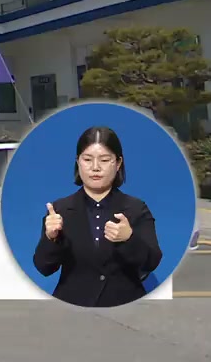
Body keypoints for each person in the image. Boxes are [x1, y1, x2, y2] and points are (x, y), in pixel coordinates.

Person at [32, 125, 163, 307]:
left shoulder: (136, 208)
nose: (95, 168)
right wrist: (51, 238)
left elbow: (151, 262)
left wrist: (129, 239)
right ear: (78, 162)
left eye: (104, 160)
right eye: (87, 159)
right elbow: (43, 267)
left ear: (118, 163)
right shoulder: (60, 210)